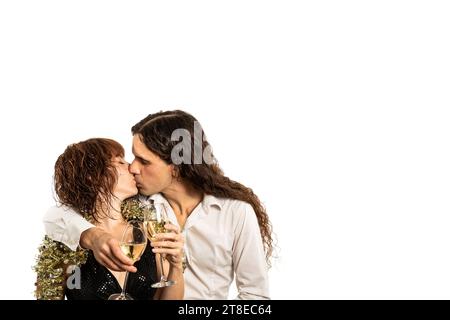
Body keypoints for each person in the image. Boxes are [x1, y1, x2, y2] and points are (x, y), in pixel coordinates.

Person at [44, 110, 273, 299]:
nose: (133, 168)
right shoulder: (138, 206)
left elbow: (255, 295)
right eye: (132, 158)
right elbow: (56, 216)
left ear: (176, 167)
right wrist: (91, 236)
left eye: (143, 161)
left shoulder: (236, 213)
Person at [35, 138, 184, 300]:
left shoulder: (147, 231)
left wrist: (175, 267)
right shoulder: (66, 238)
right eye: (120, 162)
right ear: (91, 176)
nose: (132, 167)